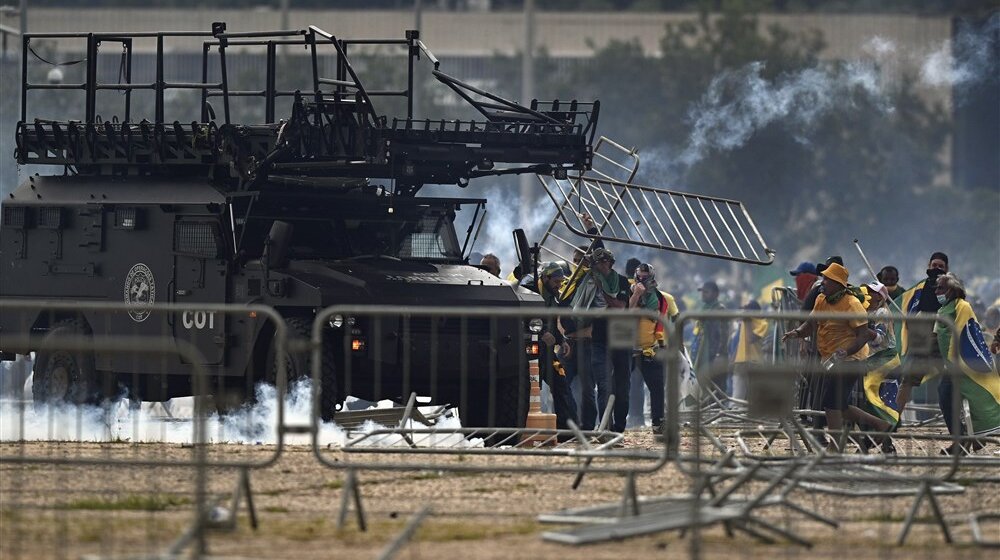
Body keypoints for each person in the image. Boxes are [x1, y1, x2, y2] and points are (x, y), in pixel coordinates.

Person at [782, 263, 894, 452]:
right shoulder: (821, 299)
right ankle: (880, 425)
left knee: (831, 403)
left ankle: (835, 446)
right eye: (823, 278)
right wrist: (797, 332)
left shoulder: (852, 304)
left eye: (827, 279)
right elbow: (811, 324)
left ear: (838, 283)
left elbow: (863, 335)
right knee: (838, 405)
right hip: (831, 359)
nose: (823, 282)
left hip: (852, 360)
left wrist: (846, 352)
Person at [932, 272, 1000, 453]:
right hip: (949, 365)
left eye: (941, 288)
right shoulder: (942, 310)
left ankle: (967, 441)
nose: (937, 291)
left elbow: (962, 333)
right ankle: (964, 439)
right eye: (936, 288)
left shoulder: (963, 306)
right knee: (947, 399)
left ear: (952, 290)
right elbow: (937, 336)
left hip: (964, 364)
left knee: (972, 398)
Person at [567, 247, 631, 432]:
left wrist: (601, 287)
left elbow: (619, 307)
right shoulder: (588, 283)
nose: (600, 265)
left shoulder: (621, 281)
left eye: (603, 261)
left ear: (610, 263)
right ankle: (605, 428)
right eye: (596, 263)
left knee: (622, 389)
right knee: (603, 386)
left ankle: (619, 428)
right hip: (599, 341)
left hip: (621, 339)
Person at [895, 252, 950, 413]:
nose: (937, 269)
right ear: (929, 266)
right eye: (934, 265)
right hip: (922, 340)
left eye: (941, 266)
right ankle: (893, 420)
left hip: (945, 339)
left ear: (946, 268)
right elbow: (908, 309)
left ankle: (962, 420)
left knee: (952, 381)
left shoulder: (952, 288)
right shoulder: (920, 288)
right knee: (908, 380)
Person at [536, 262, 579, 432]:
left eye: (561, 282)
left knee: (561, 381)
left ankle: (567, 430)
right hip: (528, 351)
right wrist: (541, 333)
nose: (559, 285)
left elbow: (552, 322)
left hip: (547, 352)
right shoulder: (529, 289)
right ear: (545, 278)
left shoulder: (553, 296)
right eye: (556, 282)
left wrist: (561, 341)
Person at [628, 263, 669, 434]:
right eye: (640, 276)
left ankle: (658, 423)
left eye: (645, 276)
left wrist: (662, 345)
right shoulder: (627, 291)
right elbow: (626, 313)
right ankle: (612, 423)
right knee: (619, 387)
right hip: (627, 349)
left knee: (657, 387)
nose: (642, 279)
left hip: (649, 349)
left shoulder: (659, 298)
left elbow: (661, 322)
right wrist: (636, 294)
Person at [860, 281, 902, 436]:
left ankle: (887, 425)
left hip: (886, 358)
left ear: (879, 297)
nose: (867, 294)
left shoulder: (882, 312)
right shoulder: (867, 312)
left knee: (869, 389)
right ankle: (883, 437)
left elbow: (879, 338)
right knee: (877, 395)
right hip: (874, 358)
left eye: (871, 292)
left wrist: (861, 330)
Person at [692, 280, 730, 393]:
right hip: (704, 353)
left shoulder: (719, 309)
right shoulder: (705, 309)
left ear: (716, 294)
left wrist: (719, 354)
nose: (703, 294)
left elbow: (723, 333)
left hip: (714, 355)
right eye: (702, 292)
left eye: (706, 292)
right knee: (703, 386)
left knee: (716, 387)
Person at [731, 300, 767, 402]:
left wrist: (747, 321)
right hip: (740, 362)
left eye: (747, 310)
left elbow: (750, 339)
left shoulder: (763, 324)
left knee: (754, 397)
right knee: (737, 397)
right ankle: (736, 412)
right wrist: (733, 359)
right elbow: (741, 342)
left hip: (755, 363)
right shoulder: (745, 322)